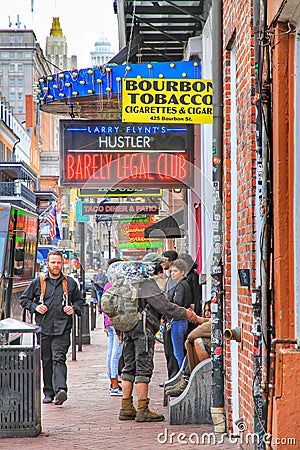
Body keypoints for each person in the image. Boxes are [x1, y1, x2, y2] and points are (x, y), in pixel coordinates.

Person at [114, 256, 197, 422]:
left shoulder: (128, 282)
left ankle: (126, 407)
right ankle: (143, 409)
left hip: (128, 328)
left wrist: (120, 331)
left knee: (128, 367)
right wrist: (186, 313)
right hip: (143, 330)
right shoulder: (147, 284)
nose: (163, 270)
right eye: (160, 267)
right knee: (143, 367)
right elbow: (164, 306)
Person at [20, 250, 84, 405]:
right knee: (46, 359)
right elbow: (24, 300)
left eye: (58, 262)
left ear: (62, 264)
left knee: (59, 357)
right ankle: (48, 392)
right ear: (47, 264)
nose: (56, 265)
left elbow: (80, 302)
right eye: (53, 262)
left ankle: (61, 389)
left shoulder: (70, 283)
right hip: (44, 328)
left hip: (63, 328)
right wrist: (35, 307)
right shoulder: (38, 282)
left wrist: (73, 308)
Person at [165, 301, 211, 397]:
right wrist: (195, 317)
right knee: (185, 349)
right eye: (206, 310)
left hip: (177, 322)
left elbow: (192, 335)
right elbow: (204, 321)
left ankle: (186, 379)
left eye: (210, 310)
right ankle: (184, 377)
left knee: (196, 343)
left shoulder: (215, 322)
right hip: (180, 319)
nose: (207, 313)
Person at [103, 257, 123, 396]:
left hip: (110, 323)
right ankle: (114, 385)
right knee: (115, 354)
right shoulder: (117, 286)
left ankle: (113, 382)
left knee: (111, 353)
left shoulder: (108, 285)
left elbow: (103, 306)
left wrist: (105, 323)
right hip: (116, 323)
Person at [169, 259, 192, 368]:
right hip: (184, 320)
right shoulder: (185, 284)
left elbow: (177, 302)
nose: (172, 274)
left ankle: (182, 375)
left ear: (182, 272)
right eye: (171, 271)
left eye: (175, 271)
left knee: (178, 353)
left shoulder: (180, 286)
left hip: (178, 321)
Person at [160, 250, 180, 380]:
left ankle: (174, 377)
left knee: (173, 352)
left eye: (164, 260)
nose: (162, 263)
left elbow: (171, 299)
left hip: (173, 319)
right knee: (170, 351)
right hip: (169, 318)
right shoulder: (170, 277)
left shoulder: (175, 280)